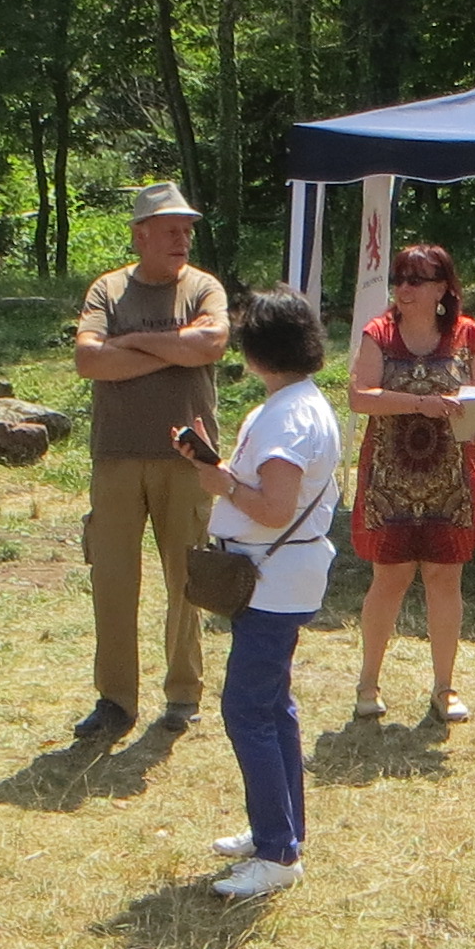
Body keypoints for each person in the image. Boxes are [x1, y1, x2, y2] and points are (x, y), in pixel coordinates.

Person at [187, 287, 340, 898]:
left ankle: (278, 853)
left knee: (247, 710)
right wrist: (221, 471)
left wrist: (221, 483)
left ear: (255, 351)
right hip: (280, 574)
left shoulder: (286, 416)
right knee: (273, 707)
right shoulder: (297, 404)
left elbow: (275, 508)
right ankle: (278, 829)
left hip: (273, 579)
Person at [70, 182, 231, 744]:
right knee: (113, 581)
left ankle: (184, 694)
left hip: (187, 458)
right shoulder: (108, 289)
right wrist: (171, 351)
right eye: (170, 230)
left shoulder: (203, 287)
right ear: (141, 235)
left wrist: (131, 343)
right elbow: (89, 360)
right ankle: (115, 700)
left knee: (186, 579)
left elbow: (209, 346)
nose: (182, 239)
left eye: (186, 230)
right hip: (116, 455)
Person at [346, 242, 475, 723]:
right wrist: (421, 405)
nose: (404, 288)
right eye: (400, 279)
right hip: (390, 478)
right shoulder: (379, 333)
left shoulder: (469, 335)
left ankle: (445, 688)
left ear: (442, 288)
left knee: (444, 578)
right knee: (389, 579)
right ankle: (368, 683)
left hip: (450, 478)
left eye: (416, 279)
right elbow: (359, 398)